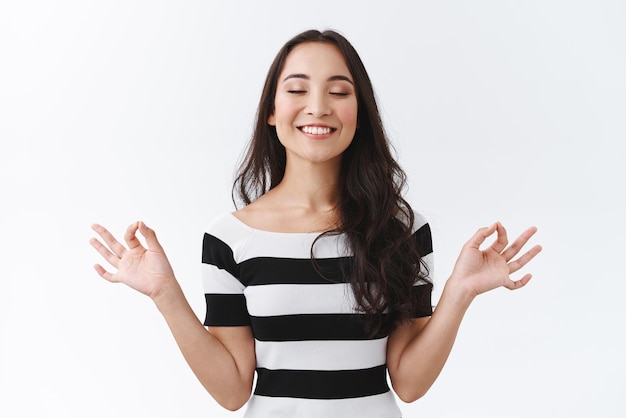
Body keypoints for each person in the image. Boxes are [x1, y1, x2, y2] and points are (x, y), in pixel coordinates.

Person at [90, 29, 542, 418]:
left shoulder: (400, 229)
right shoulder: (229, 239)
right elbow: (231, 390)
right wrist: (165, 294)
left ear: (359, 114)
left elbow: (408, 382)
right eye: (297, 89)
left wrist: (459, 294)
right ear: (271, 110)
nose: (318, 107)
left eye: (339, 92)